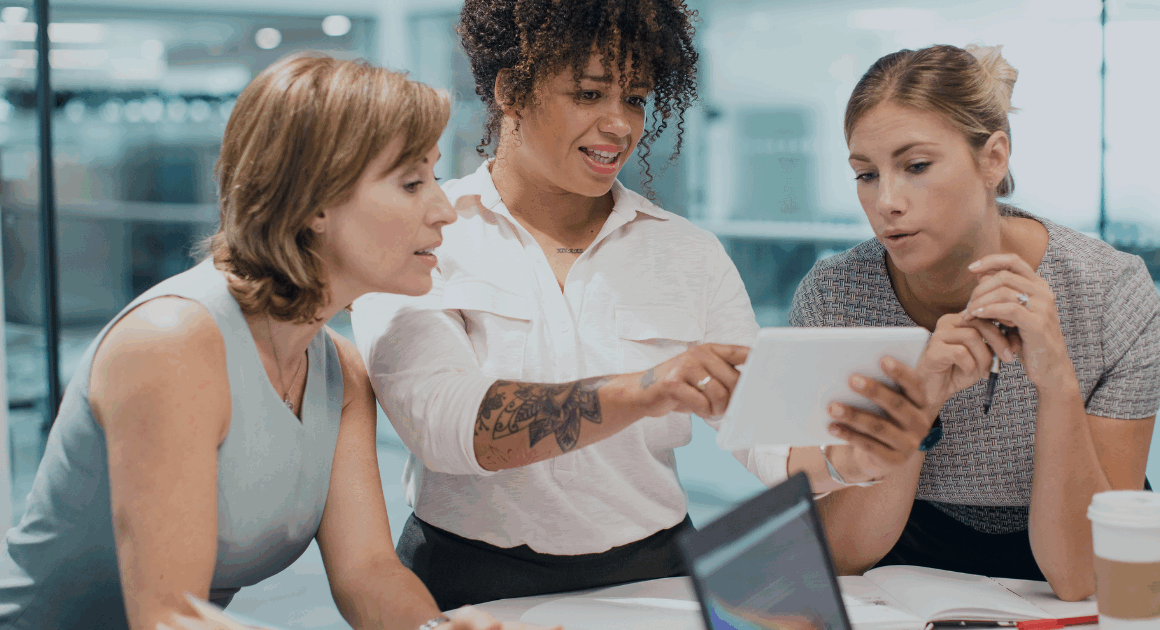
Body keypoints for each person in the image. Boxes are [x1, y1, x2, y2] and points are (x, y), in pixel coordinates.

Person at [0, 53, 550, 630]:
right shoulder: (171, 346)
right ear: (314, 202)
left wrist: (433, 629)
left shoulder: (339, 369)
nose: (443, 210)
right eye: (412, 182)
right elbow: (168, 619)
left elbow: (367, 573)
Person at [350, 0, 775, 610]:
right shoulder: (425, 236)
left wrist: (858, 449)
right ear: (510, 91)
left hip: (656, 576)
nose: (620, 124)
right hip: (467, 578)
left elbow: (764, 425)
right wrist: (647, 389)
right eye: (588, 93)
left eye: (634, 97)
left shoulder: (688, 252)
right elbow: (445, 424)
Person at [785, 43, 1159, 601]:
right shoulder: (836, 296)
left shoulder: (1111, 293)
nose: (886, 201)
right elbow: (841, 554)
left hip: (1063, 579)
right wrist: (920, 398)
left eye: (915, 167)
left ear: (994, 158)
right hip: (896, 579)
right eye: (866, 174)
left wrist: (1057, 383)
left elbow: (1084, 575)